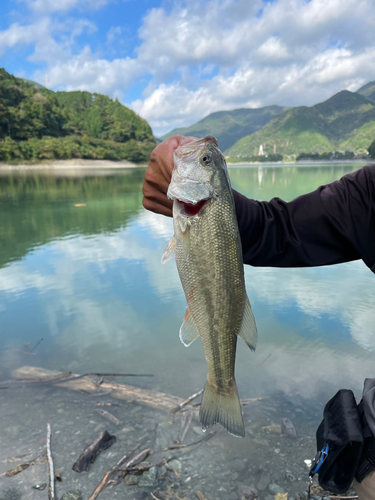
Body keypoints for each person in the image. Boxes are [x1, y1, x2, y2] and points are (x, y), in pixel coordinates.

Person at [142, 135, 375, 500]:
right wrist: (212, 199)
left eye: (205, 163)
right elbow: (277, 228)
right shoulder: (369, 193)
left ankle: (221, 388)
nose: (203, 161)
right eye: (207, 163)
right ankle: (221, 386)